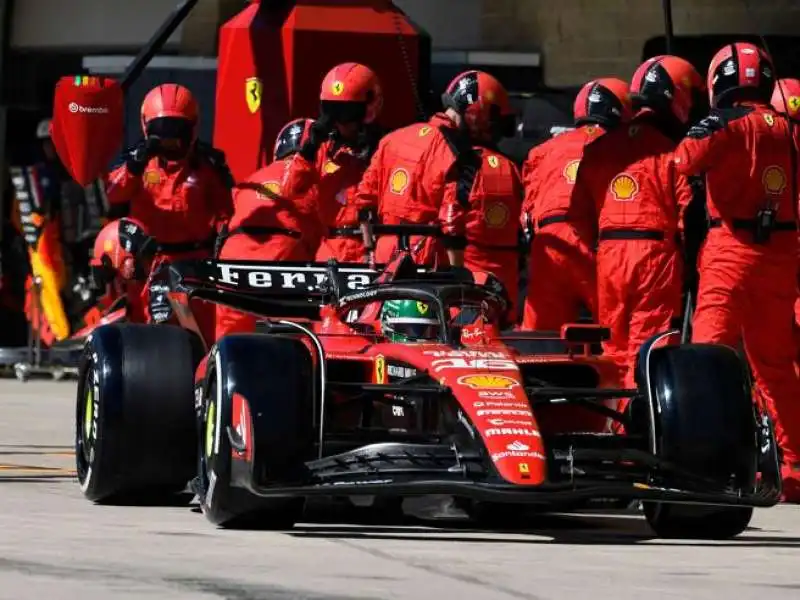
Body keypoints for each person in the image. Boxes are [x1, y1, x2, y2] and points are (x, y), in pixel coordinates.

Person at [672, 42, 800, 502]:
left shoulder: (723, 123)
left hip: (732, 248)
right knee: (777, 366)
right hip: (783, 254)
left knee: (710, 360)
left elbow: (682, 162)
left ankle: (706, 464)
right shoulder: (788, 128)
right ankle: (795, 469)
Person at [593, 56, 704, 391]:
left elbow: (582, 209)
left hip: (608, 256)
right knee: (649, 348)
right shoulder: (675, 151)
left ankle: (609, 421)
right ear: (679, 99)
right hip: (654, 258)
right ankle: (640, 428)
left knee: (611, 348)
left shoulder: (600, 147)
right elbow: (688, 212)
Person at [105, 84, 234, 339]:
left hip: (195, 263)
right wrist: (136, 164)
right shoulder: (135, 161)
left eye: (177, 132)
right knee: (146, 333)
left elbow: (228, 212)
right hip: (149, 263)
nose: (170, 141)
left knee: (198, 334)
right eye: (162, 133)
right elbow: (113, 193)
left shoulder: (208, 165)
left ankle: (198, 375)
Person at [356, 70, 517, 267]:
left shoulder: (392, 139)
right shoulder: (460, 152)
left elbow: (364, 200)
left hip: (384, 254)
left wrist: (369, 250)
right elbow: (452, 219)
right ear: (477, 113)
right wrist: (458, 274)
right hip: (426, 259)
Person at [520, 77, 633, 330]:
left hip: (547, 246)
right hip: (592, 245)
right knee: (615, 333)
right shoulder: (621, 147)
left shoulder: (542, 150)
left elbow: (527, 210)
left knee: (538, 341)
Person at [215, 118, 331, 340]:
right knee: (293, 341)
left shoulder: (251, 179)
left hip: (232, 258)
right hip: (282, 258)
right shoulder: (313, 181)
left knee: (229, 340)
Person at [282, 63, 384, 263]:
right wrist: (309, 148)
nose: (341, 122)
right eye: (334, 113)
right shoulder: (321, 150)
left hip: (373, 250)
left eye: (348, 113)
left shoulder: (385, 147)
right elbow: (289, 191)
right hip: (331, 252)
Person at [88, 217, 158, 324]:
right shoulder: (135, 287)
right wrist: (101, 309)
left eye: (115, 272)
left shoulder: (163, 285)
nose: (119, 280)